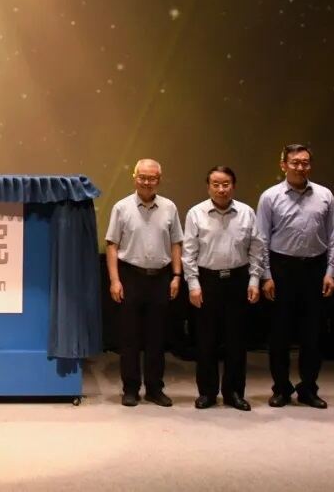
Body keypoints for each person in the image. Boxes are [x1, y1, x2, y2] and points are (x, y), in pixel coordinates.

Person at [257, 144, 334, 409]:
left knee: (312, 334)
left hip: (315, 269)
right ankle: (281, 388)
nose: (300, 167)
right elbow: (261, 239)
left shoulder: (325, 195)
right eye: (295, 162)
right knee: (279, 335)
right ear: (283, 165)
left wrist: (331, 272)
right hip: (281, 269)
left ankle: (308, 389)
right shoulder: (270, 196)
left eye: (305, 162)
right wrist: (266, 275)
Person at [182, 166, 263, 411]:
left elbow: (256, 249)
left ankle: (234, 393)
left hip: (238, 280)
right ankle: (207, 393)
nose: (221, 189)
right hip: (207, 281)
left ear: (233, 186)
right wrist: (193, 284)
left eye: (226, 184)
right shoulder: (196, 213)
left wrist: (254, 280)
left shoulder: (247, 213)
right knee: (205, 341)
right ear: (208, 187)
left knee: (236, 341)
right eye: (216, 184)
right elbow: (189, 252)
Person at [105, 159, 183, 407]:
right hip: (130, 276)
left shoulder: (169, 207)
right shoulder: (121, 207)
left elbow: (176, 242)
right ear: (134, 177)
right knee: (129, 338)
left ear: (159, 180)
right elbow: (112, 245)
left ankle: (154, 388)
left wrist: (177, 275)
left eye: (152, 178)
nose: (147, 182)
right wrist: (114, 280)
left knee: (156, 338)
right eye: (142, 177)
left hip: (160, 278)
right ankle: (130, 389)